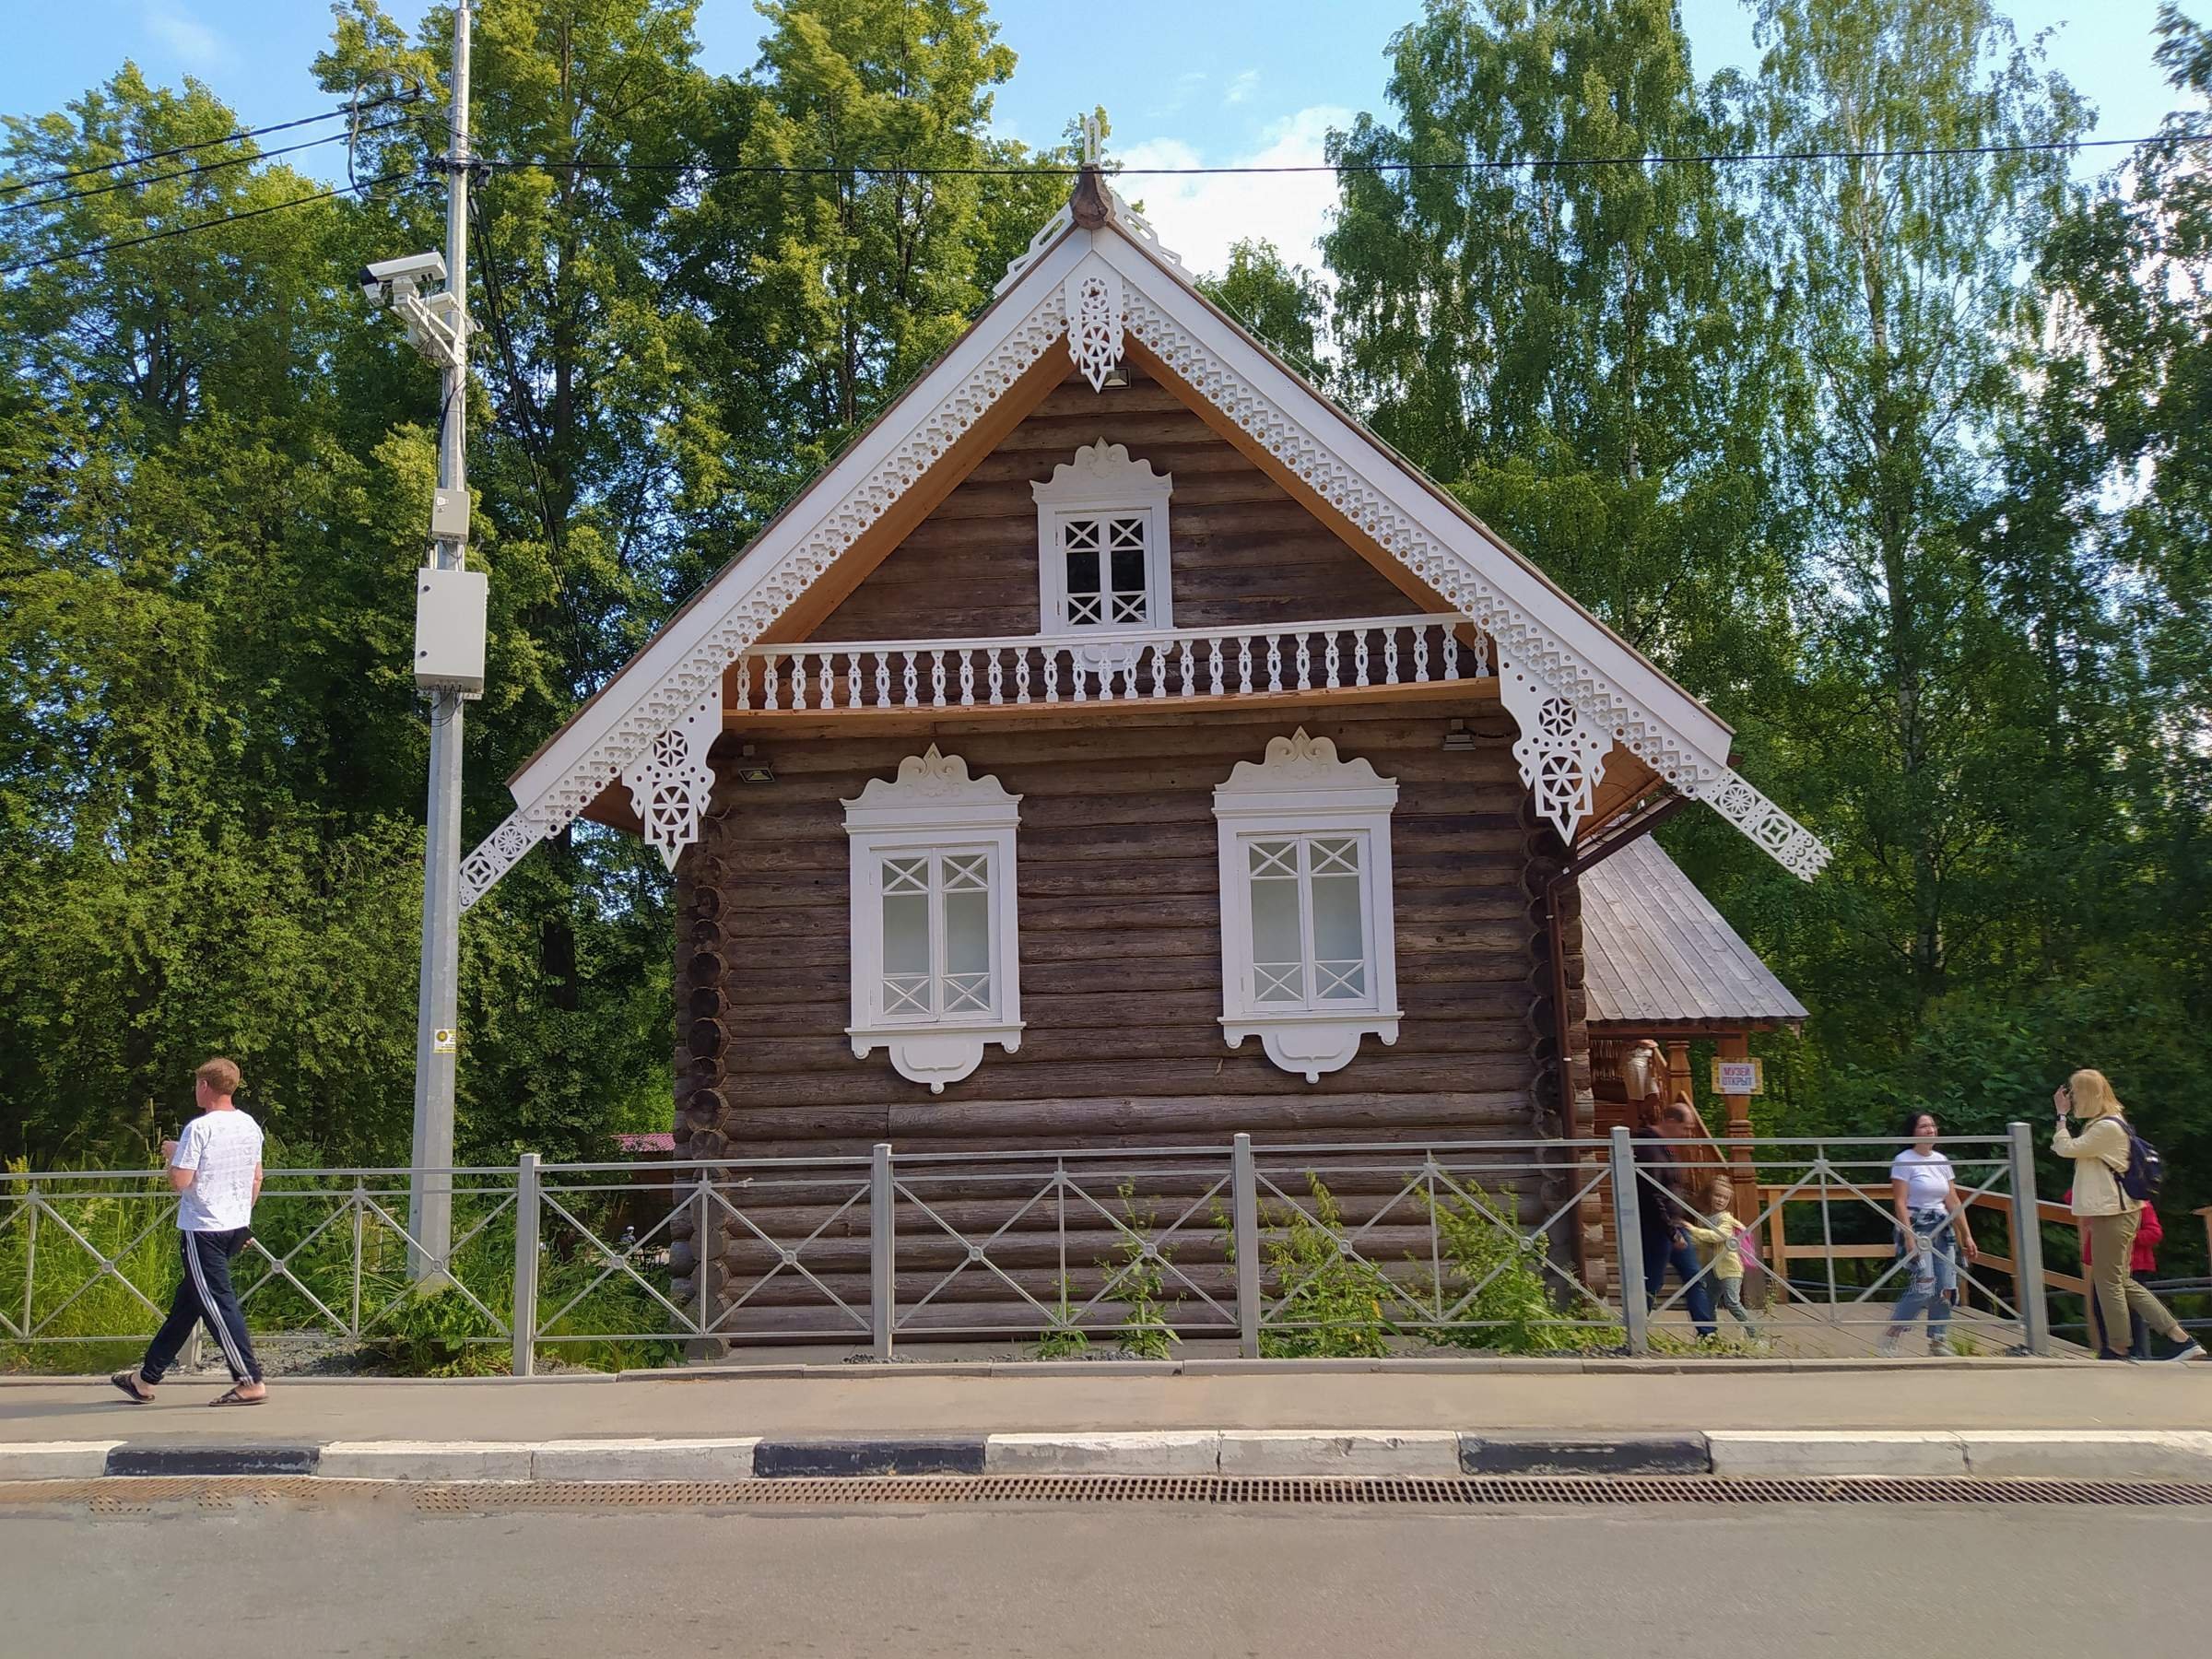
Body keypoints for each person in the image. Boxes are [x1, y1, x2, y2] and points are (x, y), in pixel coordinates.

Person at [111, 1057, 269, 1406]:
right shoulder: (249, 1125)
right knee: (188, 1304)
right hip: (233, 1226)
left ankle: (249, 1380)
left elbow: (181, 1182)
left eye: (196, 1084)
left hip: (203, 1229)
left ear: (205, 1087)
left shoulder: (199, 1129)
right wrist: (241, 1220)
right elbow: (256, 1178)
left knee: (216, 1302)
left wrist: (174, 1154)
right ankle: (145, 1379)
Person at [2052, 1069, 2205, 1362]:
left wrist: (2061, 1117)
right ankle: (2180, 1339)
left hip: (2113, 1213)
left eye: (2074, 1092)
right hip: (2114, 1212)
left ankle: (2119, 1348)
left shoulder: (2106, 1128)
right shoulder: (2105, 1123)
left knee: (2108, 1282)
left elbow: (2064, 1148)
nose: (2070, 1098)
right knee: (2122, 1281)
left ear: (2087, 1094)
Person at [1877, 1112, 1980, 1358]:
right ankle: (1893, 1333)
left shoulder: (1942, 1160)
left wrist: (1966, 1235)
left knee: (1946, 1286)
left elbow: (1953, 1200)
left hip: (1942, 1226)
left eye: (1932, 1126)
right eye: (1924, 1126)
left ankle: (1938, 1340)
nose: (1930, 1130)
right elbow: (1900, 1202)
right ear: (1913, 1131)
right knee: (1924, 1285)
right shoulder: (1904, 1160)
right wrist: (1908, 1234)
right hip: (1917, 1223)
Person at [1631, 1095, 1717, 1340]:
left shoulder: (1666, 1148)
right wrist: (1671, 1231)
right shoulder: (1648, 1147)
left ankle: (1707, 1333)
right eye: (1685, 1128)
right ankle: (1636, 1333)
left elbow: (1672, 1188)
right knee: (1652, 1282)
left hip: (1675, 1224)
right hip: (1657, 1227)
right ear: (1669, 1120)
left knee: (1694, 1277)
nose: (1688, 1134)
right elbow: (1651, 1195)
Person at [2075, 1190, 2163, 1359]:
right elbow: (2073, 1196)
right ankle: (2109, 1349)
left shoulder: (2140, 1205)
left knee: (2131, 1310)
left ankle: (2136, 1351)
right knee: (2099, 1307)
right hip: (2105, 1263)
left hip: (2133, 1264)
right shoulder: (2102, 1206)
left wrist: (2127, 1236)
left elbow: (2155, 1232)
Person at [1677, 1208, 1759, 1339]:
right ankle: (1711, 1335)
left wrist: (1692, 1229)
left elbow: (1719, 1235)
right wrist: (1685, 1235)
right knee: (1708, 1303)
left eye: (1725, 1197)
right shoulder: (1704, 1218)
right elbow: (1703, 1241)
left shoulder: (1726, 1218)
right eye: (1717, 1196)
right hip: (1711, 1268)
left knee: (1732, 1302)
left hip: (1730, 1267)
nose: (1720, 1200)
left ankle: (1755, 1334)